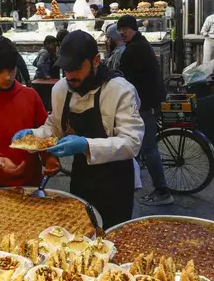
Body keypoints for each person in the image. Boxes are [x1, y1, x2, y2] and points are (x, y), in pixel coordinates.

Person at [13, 30, 144, 227]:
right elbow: (55, 127)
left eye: (77, 68)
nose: (70, 76)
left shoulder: (120, 90)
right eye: (66, 69)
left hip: (116, 180)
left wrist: (85, 144)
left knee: (113, 236)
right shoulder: (61, 89)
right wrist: (33, 135)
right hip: (82, 175)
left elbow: (131, 142)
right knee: (81, 231)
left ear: (96, 60)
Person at [0, 36, 60, 189]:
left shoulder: (30, 96)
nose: (7, 77)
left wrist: (48, 156)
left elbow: (45, 135)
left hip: (31, 184)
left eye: (11, 70)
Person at [116, 16, 171, 206]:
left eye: (125, 28)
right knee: (144, 145)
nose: (122, 32)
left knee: (149, 148)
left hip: (146, 103)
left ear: (133, 29)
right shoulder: (139, 43)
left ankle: (162, 191)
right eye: (119, 29)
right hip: (150, 100)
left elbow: (123, 76)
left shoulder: (134, 48)